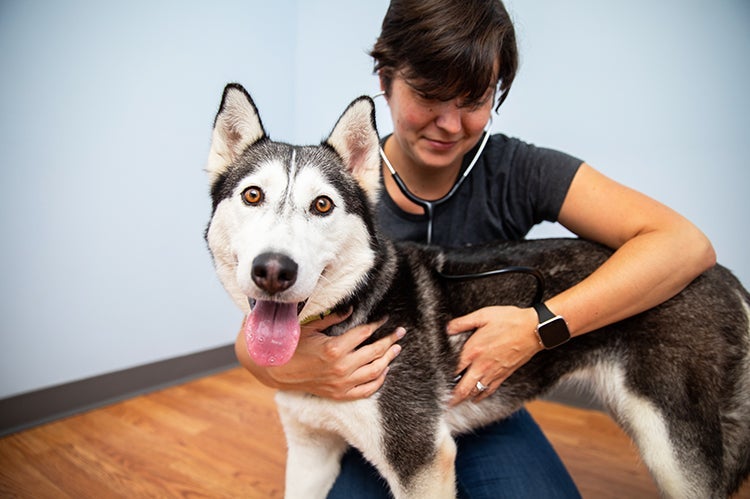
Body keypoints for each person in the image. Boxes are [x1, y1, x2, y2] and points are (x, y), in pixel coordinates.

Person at [235, 0, 717, 497]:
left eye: (472, 100)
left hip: (479, 402)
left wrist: (539, 326)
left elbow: (686, 245)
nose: (449, 123)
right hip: (353, 400)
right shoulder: (333, 189)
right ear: (385, 79)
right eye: (428, 95)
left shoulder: (518, 170)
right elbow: (259, 329)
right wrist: (289, 368)